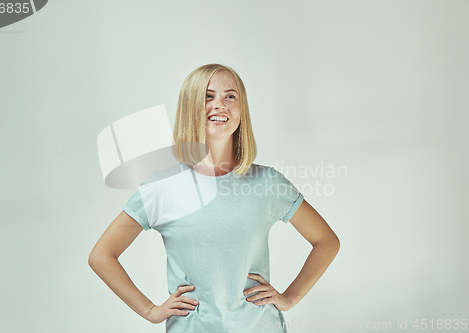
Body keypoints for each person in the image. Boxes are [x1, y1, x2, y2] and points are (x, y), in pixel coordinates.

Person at [88, 64, 340, 332]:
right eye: (208, 96)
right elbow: (102, 255)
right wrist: (150, 311)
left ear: (241, 110)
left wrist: (290, 298)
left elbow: (326, 241)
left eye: (230, 96)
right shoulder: (161, 188)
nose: (220, 104)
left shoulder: (267, 183)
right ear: (190, 107)